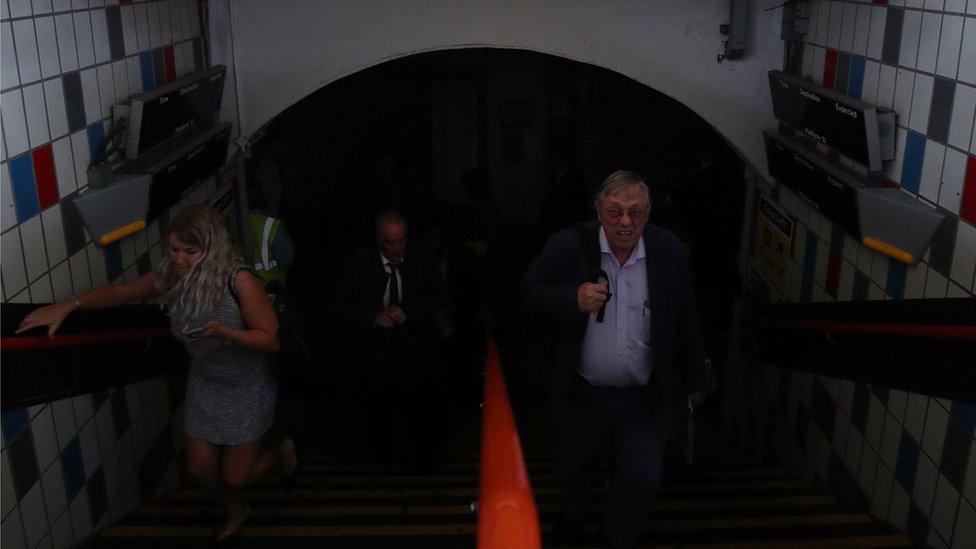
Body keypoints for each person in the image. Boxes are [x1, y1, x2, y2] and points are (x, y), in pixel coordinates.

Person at [16, 205, 298, 544]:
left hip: (246, 385)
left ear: (212, 249)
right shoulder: (172, 274)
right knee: (199, 470)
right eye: (174, 249)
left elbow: (270, 340)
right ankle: (237, 509)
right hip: (207, 382)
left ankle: (281, 454)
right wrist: (68, 305)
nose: (179, 260)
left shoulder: (239, 280)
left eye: (190, 252)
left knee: (236, 475)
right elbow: (122, 293)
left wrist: (225, 333)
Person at [522, 170, 707, 548]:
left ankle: (613, 536)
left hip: (642, 398)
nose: (625, 222)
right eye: (615, 211)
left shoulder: (667, 251)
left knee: (643, 477)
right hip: (581, 394)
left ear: (649, 212)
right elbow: (529, 291)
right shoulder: (568, 245)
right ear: (598, 210)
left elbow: (686, 315)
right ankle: (572, 517)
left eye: (635, 212)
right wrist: (572, 299)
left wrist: (695, 380)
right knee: (572, 468)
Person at [331, 211, 447, 464]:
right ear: (378, 241)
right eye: (391, 243)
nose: (397, 249)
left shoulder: (421, 258)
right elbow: (340, 305)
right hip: (373, 345)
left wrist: (409, 311)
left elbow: (438, 295)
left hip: (414, 340)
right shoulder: (358, 263)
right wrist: (372, 317)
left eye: (402, 242)